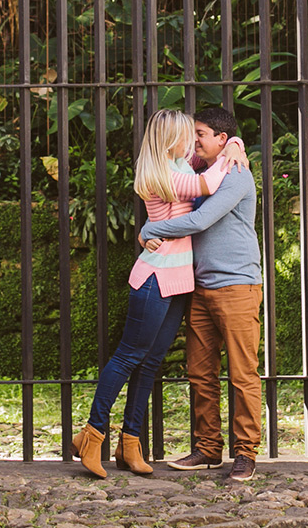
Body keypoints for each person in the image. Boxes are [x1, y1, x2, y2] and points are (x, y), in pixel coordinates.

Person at [70, 109, 245, 479]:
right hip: (155, 277)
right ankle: (92, 433)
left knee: (150, 363)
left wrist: (235, 142)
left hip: (179, 281)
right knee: (128, 357)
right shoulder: (168, 173)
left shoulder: (181, 164)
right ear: (172, 140)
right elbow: (207, 184)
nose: (193, 141)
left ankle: (130, 443)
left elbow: (212, 152)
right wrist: (232, 151)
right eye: (188, 134)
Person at [139, 106, 263, 482]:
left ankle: (245, 454)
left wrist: (150, 226)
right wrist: (237, 142)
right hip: (201, 286)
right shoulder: (200, 168)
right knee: (200, 373)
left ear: (221, 140)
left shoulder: (237, 174)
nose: (194, 141)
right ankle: (208, 448)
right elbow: (168, 154)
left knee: (243, 374)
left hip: (237, 285)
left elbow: (200, 220)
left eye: (202, 134)